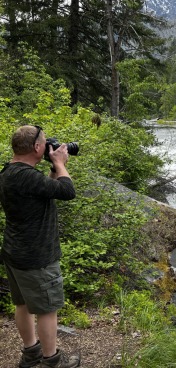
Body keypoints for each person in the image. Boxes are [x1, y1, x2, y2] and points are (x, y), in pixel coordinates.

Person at [0, 125, 80, 368]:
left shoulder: (9, 172)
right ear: (36, 147)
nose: (48, 147)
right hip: (37, 257)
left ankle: (31, 352)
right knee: (47, 309)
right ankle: (51, 360)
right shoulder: (27, 176)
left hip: (16, 252)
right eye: (45, 143)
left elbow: (45, 191)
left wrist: (53, 169)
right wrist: (61, 163)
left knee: (23, 305)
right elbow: (67, 191)